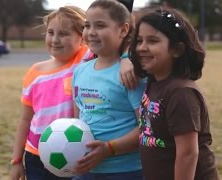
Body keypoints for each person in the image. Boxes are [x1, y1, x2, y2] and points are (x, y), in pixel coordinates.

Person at [10, 5, 136, 180]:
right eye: (50, 32)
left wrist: (127, 57)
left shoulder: (82, 61)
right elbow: (25, 119)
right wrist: (17, 159)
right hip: (35, 154)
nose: (55, 39)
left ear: (80, 39)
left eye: (63, 34)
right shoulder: (35, 72)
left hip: (74, 155)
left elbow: (115, 37)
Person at [130, 7, 220, 180]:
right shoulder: (154, 82)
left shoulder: (181, 93)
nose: (141, 47)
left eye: (153, 41)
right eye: (139, 40)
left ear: (177, 50)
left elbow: (188, 153)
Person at [72, 0, 145, 179]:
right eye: (87, 25)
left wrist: (109, 149)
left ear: (123, 30)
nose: (91, 32)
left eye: (100, 25)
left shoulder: (130, 74)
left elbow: (147, 129)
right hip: (86, 169)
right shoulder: (80, 71)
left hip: (125, 171)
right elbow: (77, 121)